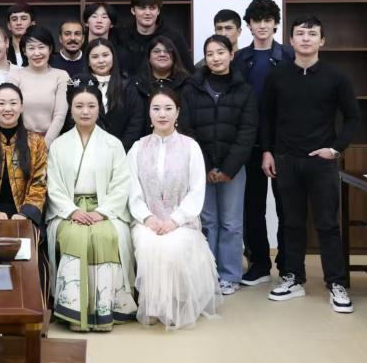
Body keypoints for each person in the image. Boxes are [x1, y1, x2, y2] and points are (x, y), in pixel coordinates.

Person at [261, 15, 360, 313]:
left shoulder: (336, 76)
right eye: (300, 34)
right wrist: (267, 152)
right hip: (286, 160)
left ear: (322, 40)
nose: (306, 39)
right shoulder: (277, 75)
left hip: (321, 163)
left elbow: (353, 117)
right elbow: (266, 117)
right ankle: (293, 278)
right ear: (291, 40)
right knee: (291, 223)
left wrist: (336, 149)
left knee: (327, 224)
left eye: (312, 34)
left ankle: (337, 283)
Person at [128, 88, 221, 329]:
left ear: (177, 112)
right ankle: (154, 306)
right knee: (149, 245)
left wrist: (174, 220)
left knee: (174, 246)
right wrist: (148, 218)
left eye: (168, 108)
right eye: (156, 109)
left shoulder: (191, 147)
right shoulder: (137, 148)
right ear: (149, 113)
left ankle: (174, 306)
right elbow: (132, 191)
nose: (162, 114)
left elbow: (196, 191)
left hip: (182, 222)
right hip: (147, 221)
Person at [46, 82, 136, 332]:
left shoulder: (113, 144)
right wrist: (72, 211)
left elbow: (121, 183)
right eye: (79, 106)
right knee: (75, 236)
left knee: (105, 236)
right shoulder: (59, 144)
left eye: (91, 106)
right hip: (69, 208)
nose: (85, 111)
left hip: (104, 207)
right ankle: (76, 313)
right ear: (71, 109)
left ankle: (104, 312)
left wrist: (102, 212)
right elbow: (53, 185)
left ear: (99, 108)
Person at [181, 35, 257, 296]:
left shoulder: (244, 90)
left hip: (232, 169)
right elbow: (187, 128)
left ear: (231, 55)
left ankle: (230, 275)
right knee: (207, 222)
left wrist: (227, 169)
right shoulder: (192, 88)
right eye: (210, 53)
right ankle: (207, 274)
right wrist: (204, 167)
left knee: (232, 224)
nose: (215, 58)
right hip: (200, 168)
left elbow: (247, 132)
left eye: (221, 52)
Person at [233, 0, 294, 287]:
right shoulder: (239, 59)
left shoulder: (289, 57)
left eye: (268, 20)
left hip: (282, 144)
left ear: (276, 23)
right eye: (256, 20)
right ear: (248, 24)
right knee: (252, 207)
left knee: (286, 206)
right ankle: (258, 263)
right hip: (249, 143)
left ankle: (287, 264)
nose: (262, 26)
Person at [0, 83, 48, 227]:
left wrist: (25, 213)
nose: (7, 108)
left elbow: (40, 182)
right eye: (1, 103)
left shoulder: (37, 142)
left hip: (26, 214)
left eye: (13, 103)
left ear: (21, 107)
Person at [9, 25, 70, 145]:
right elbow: (11, 112)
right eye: (31, 48)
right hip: (20, 142)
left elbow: (60, 116)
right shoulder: (14, 76)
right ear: (24, 51)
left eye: (41, 47)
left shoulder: (61, 76)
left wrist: (44, 146)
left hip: (52, 142)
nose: (37, 53)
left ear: (50, 49)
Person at [83, 38, 145, 151]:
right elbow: (72, 119)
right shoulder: (80, 85)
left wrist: (120, 149)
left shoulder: (128, 85)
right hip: (87, 150)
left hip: (123, 151)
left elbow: (136, 121)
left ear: (113, 57)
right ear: (88, 62)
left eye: (105, 55)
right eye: (95, 57)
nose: (101, 61)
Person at [112, 0, 191, 74]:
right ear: (133, 10)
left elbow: (188, 72)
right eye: (142, 8)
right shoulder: (121, 36)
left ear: (158, 11)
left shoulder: (174, 37)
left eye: (152, 8)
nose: (147, 13)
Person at [134, 36, 191, 134]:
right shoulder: (137, 84)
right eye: (156, 51)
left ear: (174, 56)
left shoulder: (187, 83)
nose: (162, 54)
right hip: (144, 139)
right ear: (148, 57)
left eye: (167, 51)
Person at [5, 2, 36, 67]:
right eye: (14, 19)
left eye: (24, 19)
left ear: (32, 24)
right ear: (9, 25)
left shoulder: (40, 49)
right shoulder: (2, 49)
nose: (18, 23)